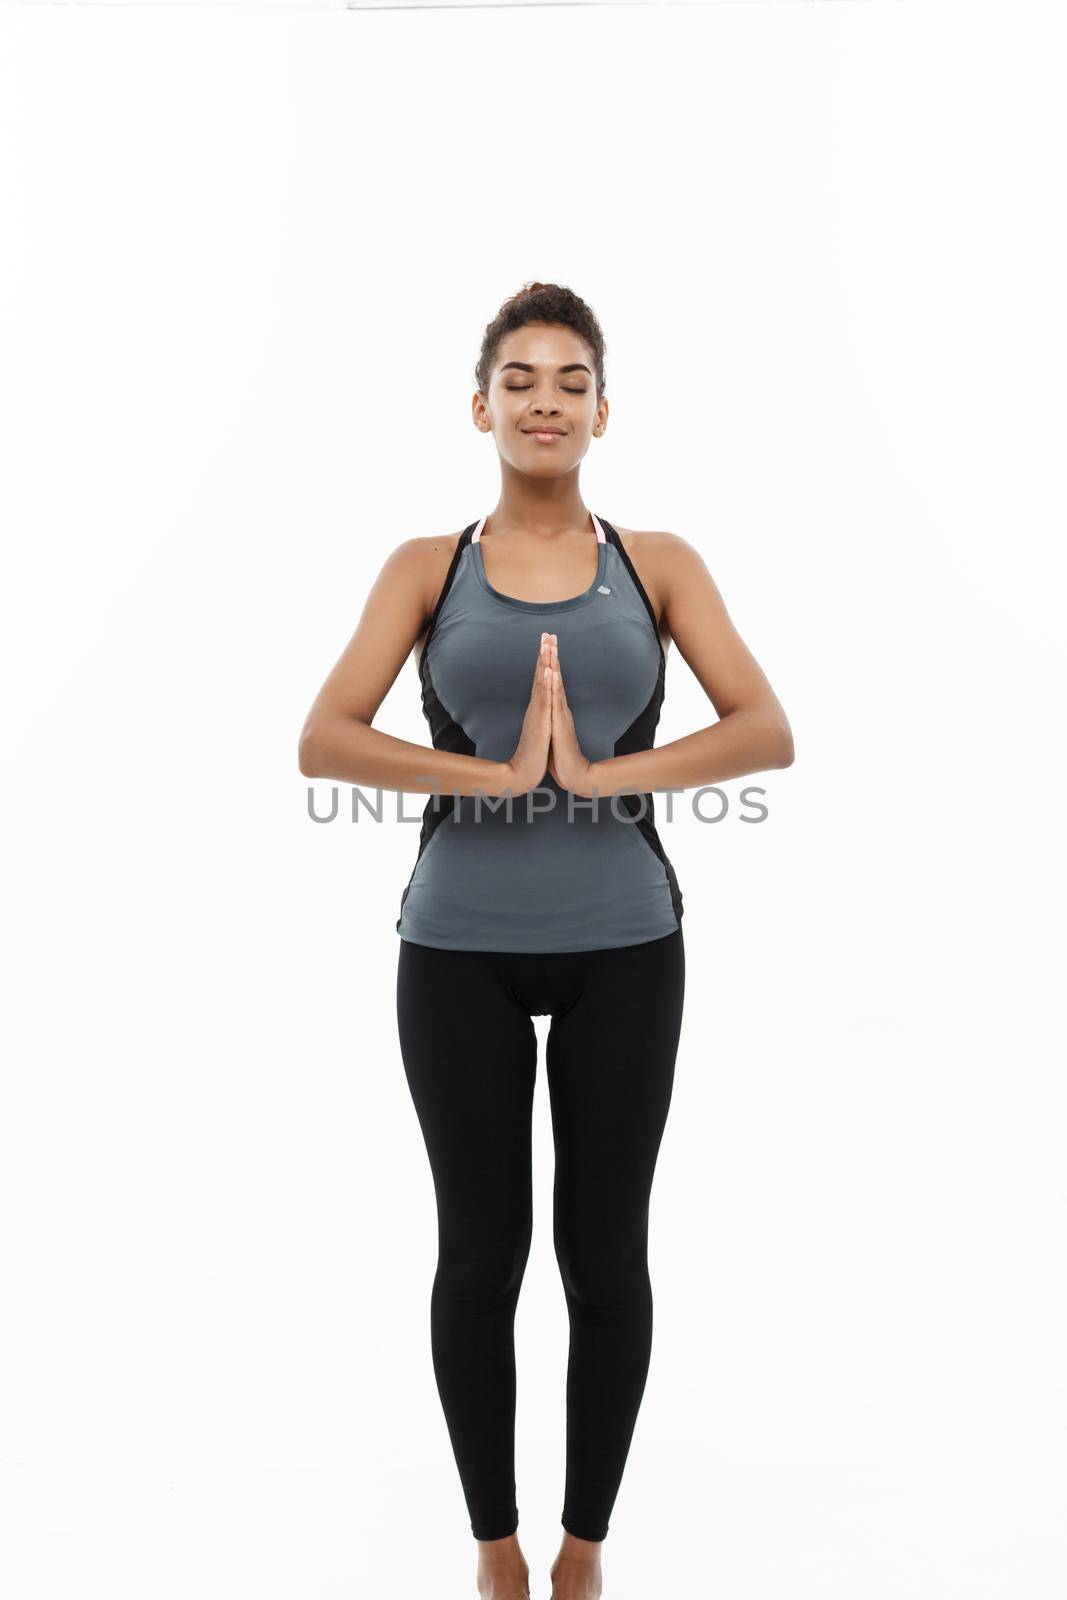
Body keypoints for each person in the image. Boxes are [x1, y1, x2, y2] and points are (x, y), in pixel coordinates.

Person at [298, 281, 794, 1600]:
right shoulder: (425, 566)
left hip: (626, 942)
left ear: (602, 412)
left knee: (604, 1248)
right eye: (520, 379)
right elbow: (325, 736)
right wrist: (494, 777)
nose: (545, 401)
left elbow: (764, 727)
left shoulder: (662, 563)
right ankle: (496, 1547)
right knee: (481, 1247)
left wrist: (607, 778)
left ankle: (583, 1548)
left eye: (571, 381)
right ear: (481, 407)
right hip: (455, 947)